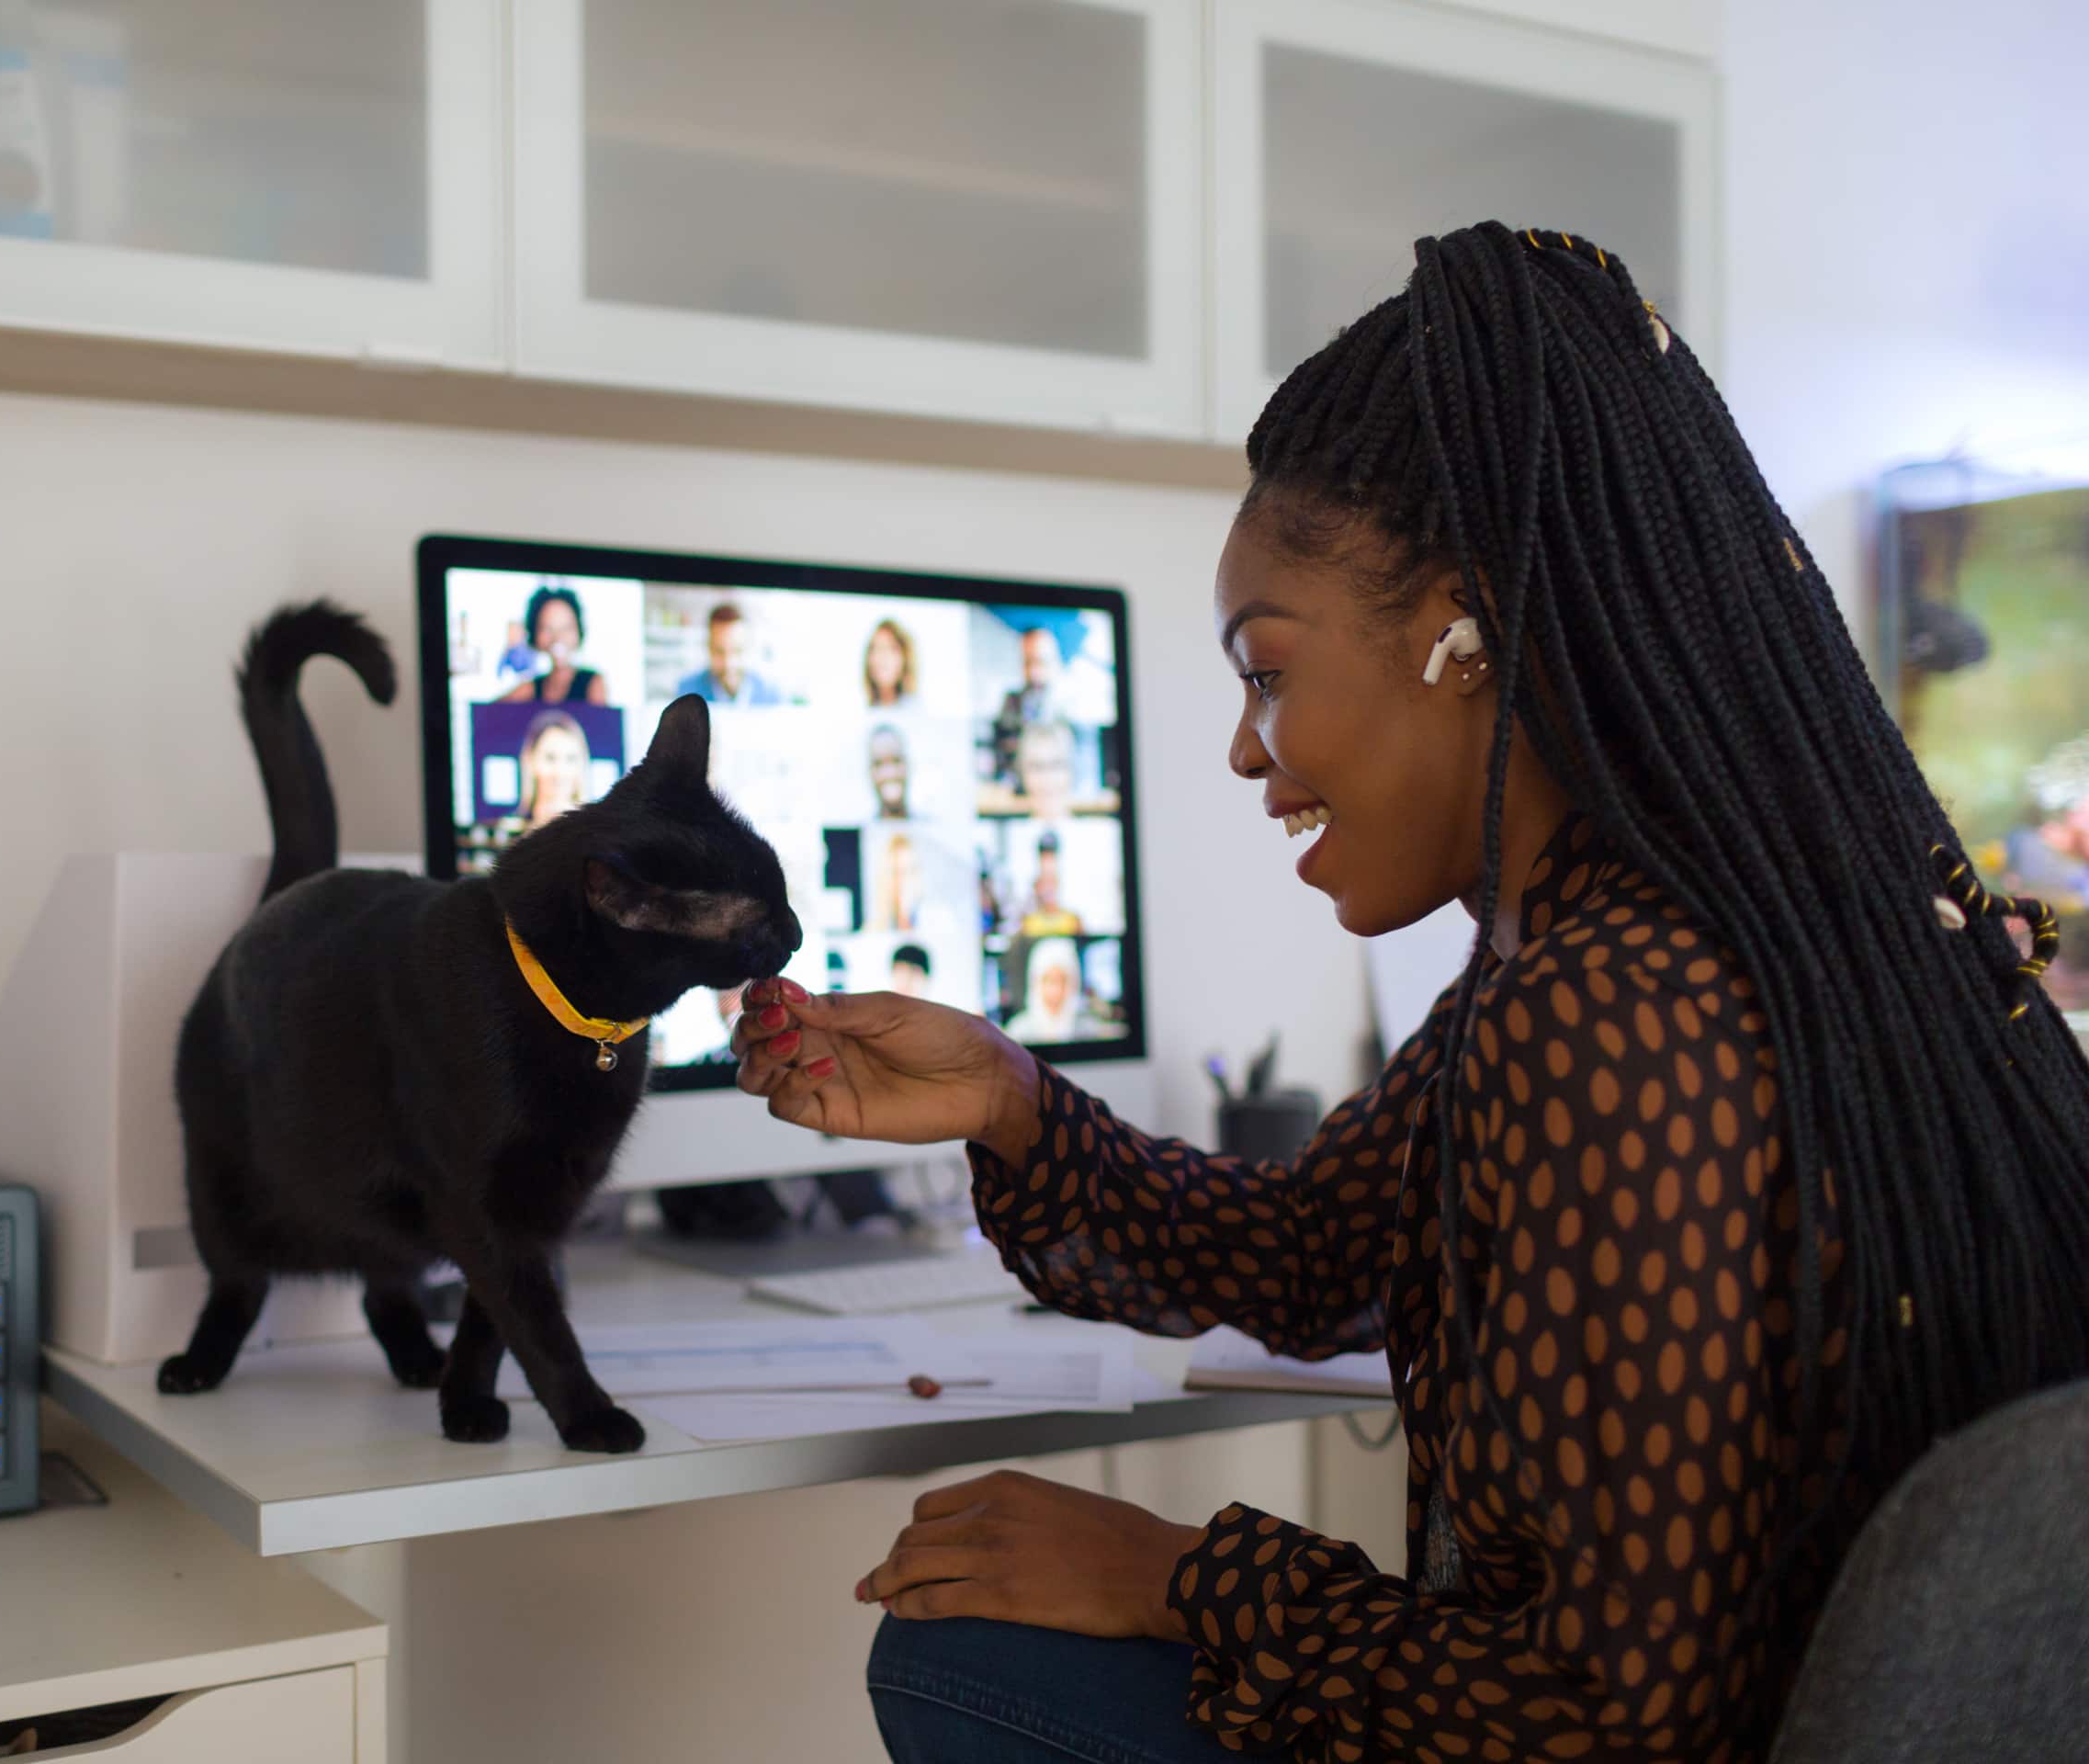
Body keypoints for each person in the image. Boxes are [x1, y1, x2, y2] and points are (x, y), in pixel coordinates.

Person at [729, 222, 2089, 1764]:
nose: (1250, 749)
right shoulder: (1634, 945)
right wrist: (1013, 1101)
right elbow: (1322, 1253)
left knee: (960, 1651)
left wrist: (1186, 1577)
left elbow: (1593, 1728)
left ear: (1462, 634)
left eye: (1267, 670)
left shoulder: (1613, 1011)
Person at [500, 585, 608, 706]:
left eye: (566, 628)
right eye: (547, 628)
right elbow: (488, 712)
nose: (558, 637)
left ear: (578, 631)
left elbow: (601, 721)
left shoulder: (592, 682)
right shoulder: (532, 687)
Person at [989, 626, 1063, 783]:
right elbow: (999, 750)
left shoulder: (1065, 707)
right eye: (1027, 663)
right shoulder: (1011, 702)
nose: (1033, 672)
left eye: (1040, 662)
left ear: (1055, 661)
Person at [677, 602, 785, 706]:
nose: (729, 663)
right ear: (708, 648)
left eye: (738, 651)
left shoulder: (772, 695)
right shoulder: (687, 692)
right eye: (719, 651)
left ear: (750, 647)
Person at [509, 710, 590, 830]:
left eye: (571, 759)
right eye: (550, 758)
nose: (560, 772)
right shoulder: (510, 830)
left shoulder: (597, 832)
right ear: (530, 761)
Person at [1000, 937, 1087, 1041]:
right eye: (1049, 980)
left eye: (1062, 980)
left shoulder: (1089, 1028)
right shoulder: (1017, 1030)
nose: (1056, 990)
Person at [1016, 831, 1081, 937]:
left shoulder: (1072, 920)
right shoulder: (1029, 922)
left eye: (1051, 883)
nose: (1048, 890)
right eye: (1044, 884)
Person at [1014, 721, 1078, 823]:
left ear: (1071, 771)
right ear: (1023, 774)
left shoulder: (1098, 837)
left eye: (1056, 765)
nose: (1047, 778)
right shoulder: (1009, 838)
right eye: (1037, 767)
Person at [865, 617, 919, 707]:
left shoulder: (916, 712)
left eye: (889, 648)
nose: (880, 657)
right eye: (875, 648)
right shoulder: (869, 711)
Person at [868, 724, 912, 820]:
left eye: (896, 761)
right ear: (870, 772)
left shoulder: (932, 831)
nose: (889, 773)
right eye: (879, 764)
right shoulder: (860, 833)